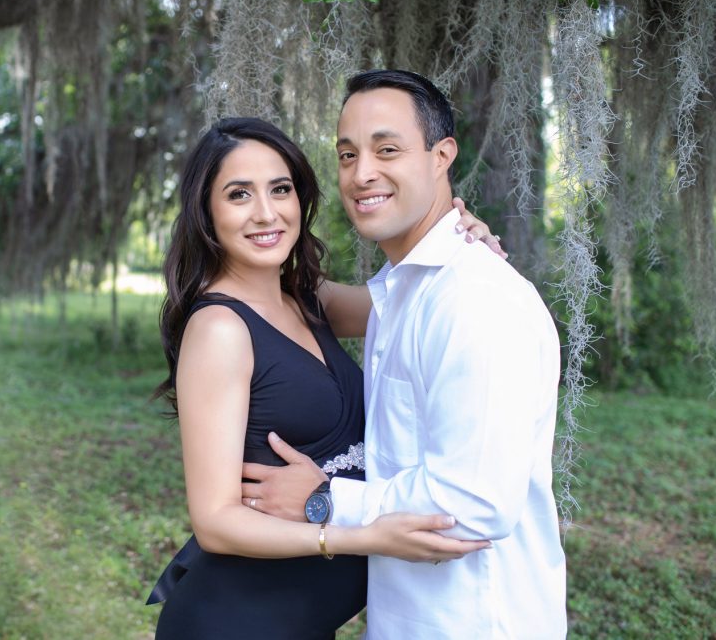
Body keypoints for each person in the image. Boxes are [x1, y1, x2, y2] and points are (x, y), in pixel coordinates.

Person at [242, 70, 567, 639]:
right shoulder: (404, 291)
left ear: (442, 155)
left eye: (387, 149)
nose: (361, 172)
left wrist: (324, 500)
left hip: (474, 622)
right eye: (347, 155)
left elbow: (473, 506)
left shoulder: (476, 300)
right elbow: (296, 299)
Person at [149, 117, 502, 639]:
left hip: (301, 623)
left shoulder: (307, 296)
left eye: (281, 189)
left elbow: (413, 302)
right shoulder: (220, 328)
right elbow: (216, 521)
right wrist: (362, 535)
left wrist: (462, 243)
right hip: (236, 621)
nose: (266, 213)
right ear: (207, 211)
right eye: (239, 194)